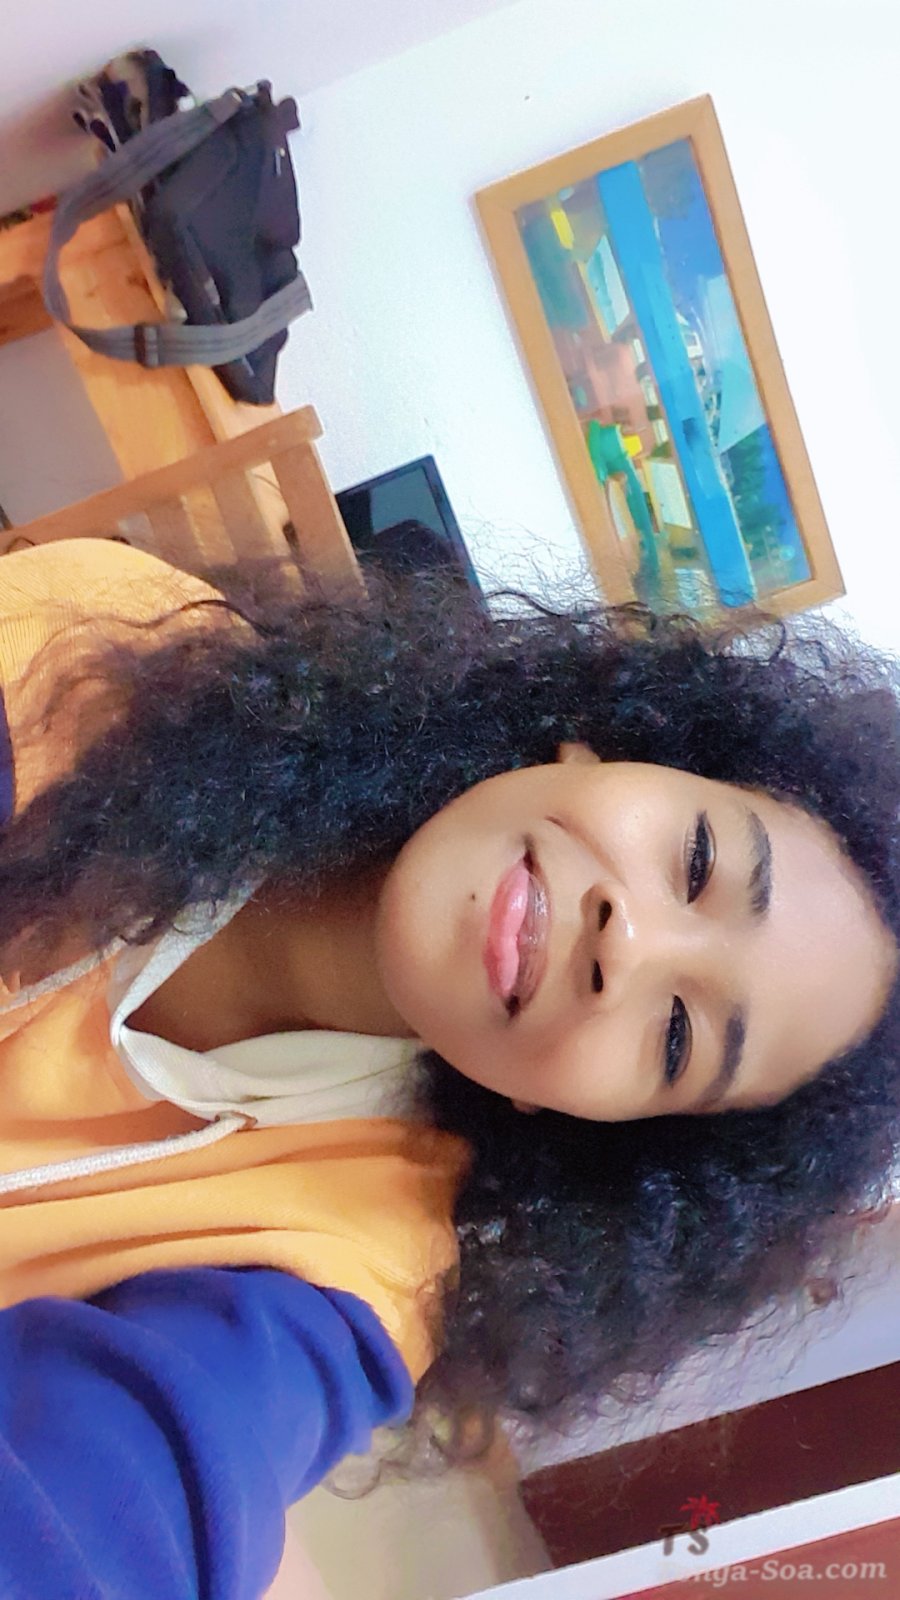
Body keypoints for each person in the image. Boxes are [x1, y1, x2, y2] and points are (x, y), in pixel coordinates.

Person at [0, 535, 896, 1599]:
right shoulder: (103, 668)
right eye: (698, 860)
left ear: (577, 1116)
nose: (627, 943)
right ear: (598, 749)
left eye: (675, 1038)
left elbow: (127, 1490)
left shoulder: (352, 1284)